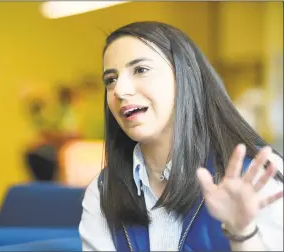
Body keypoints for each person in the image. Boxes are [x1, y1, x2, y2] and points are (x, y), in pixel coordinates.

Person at [79, 21, 283, 251]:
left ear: (184, 77)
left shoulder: (257, 175)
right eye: (110, 79)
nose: (120, 90)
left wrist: (242, 233)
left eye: (140, 70)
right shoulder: (103, 191)